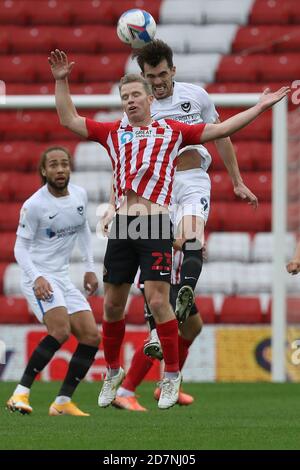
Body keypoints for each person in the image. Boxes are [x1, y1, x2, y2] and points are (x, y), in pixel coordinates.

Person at [49, 48, 289, 409]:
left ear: (150, 98)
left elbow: (222, 129)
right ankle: (113, 372)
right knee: (112, 305)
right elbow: (68, 119)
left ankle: (172, 374)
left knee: (159, 299)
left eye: (135, 95)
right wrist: (61, 80)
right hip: (126, 226)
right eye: (124, 97)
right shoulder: (114, 132)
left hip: (157, 222)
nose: (130, 101)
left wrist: (261, 106)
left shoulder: (172, 130)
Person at [104, 39, 259, 411]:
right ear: (143, 77)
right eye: (149, 77)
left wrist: (236, 180)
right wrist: (117, 204)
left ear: (172, 71)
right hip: (155, 194)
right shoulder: (138, 106)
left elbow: (220, 135)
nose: (156, 83)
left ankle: (158, 371)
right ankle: (131, 386)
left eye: (161, 75)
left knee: (191, 244)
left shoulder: (196, 97)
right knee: (177, 313)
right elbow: (126, 159)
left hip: (191, 182)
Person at [6, 147, 100, 416]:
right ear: (44, 171)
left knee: (92, 337)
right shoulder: (35, 205)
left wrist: (89, 268)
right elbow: (19, 249)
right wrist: (36, 277)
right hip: (37, 276)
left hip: (61, 276)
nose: (60, 169)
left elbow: (82, 228)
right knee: (60, 331)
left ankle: (62, 403)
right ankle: (19, 394)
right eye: (54, 165)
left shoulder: (79, 195)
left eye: (64, 164)